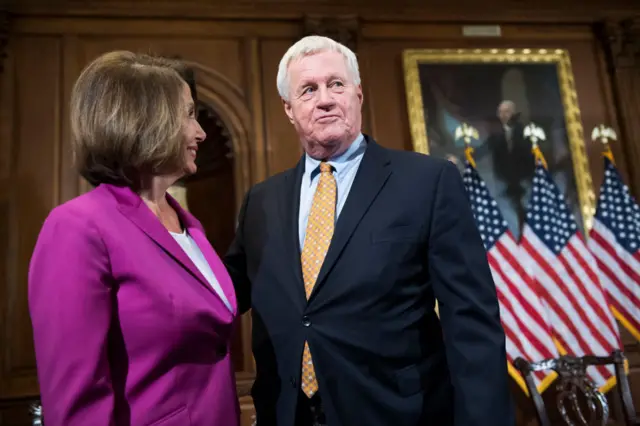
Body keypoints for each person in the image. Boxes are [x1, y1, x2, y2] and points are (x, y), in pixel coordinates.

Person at [225, 35, 514, 426]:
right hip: (288, 412)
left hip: (397, 412)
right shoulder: (261, 201)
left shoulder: (427, 182)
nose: (324, 98)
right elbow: (225, 295)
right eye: (308, 89)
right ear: (289, 109)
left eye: (336, 84)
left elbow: (471, 321)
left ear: (358, 94)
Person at [28, 51, 240, 426]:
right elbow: (77, 401)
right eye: (189, 114)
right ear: (146, 120)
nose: (201, 132)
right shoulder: (77, 227)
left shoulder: (189, 224)